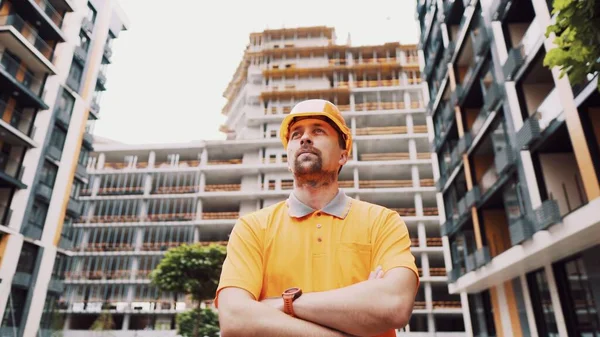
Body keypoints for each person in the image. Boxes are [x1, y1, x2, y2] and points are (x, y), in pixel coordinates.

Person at [214, 99, 420, 337]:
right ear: (288, 158)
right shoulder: (252, 228)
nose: (304, 138)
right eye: (295, 135)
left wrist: (285, 304)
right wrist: (359, 305)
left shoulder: (382, 222)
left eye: (318, 131)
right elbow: (234, 319)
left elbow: (393, 306)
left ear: (343, 156)